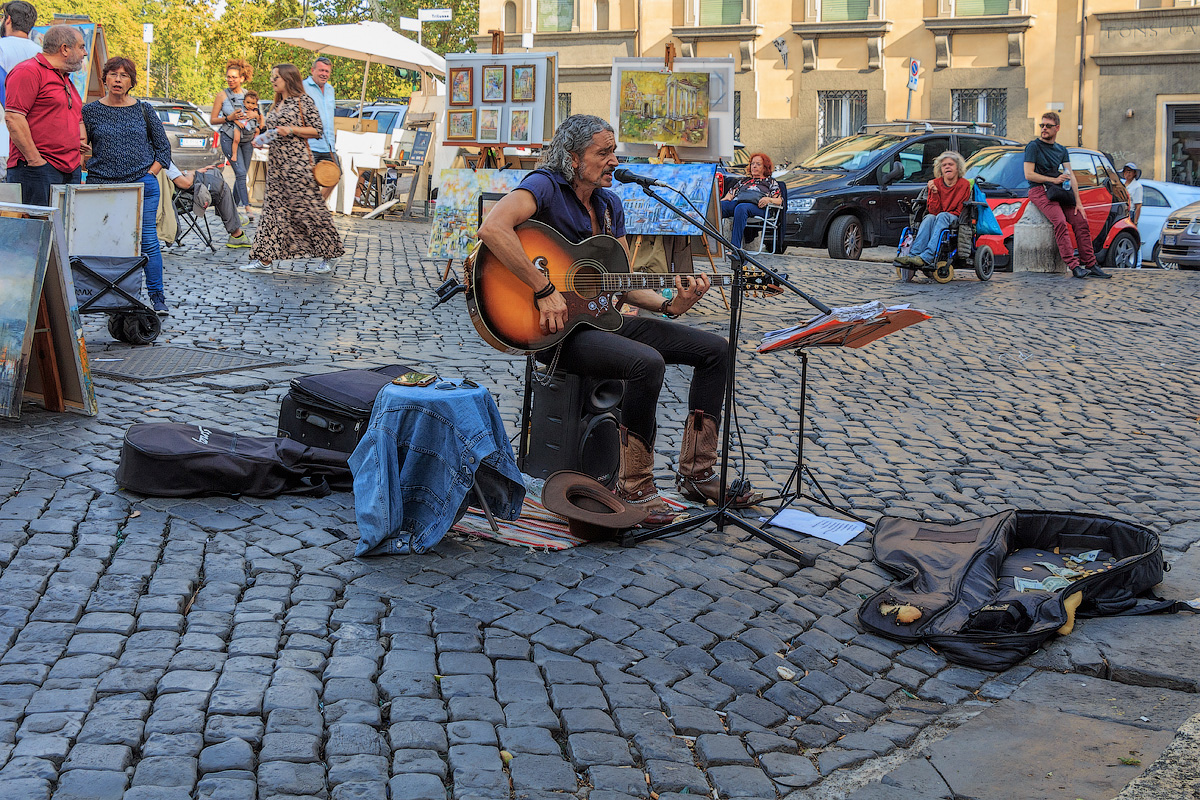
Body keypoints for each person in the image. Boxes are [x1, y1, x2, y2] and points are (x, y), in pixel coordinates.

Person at [477, 114, 762, 526]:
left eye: (614, 152)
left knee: (714, 349)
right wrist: (543, 289)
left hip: (602, 320)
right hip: (555, 332)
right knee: (645, 362)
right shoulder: (545, 188)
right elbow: (493, 228)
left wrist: (671, 304)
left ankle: (697, 474)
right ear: (574, 158)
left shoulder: (611, 206)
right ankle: (635, 486)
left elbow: (623, 284)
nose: (613, 160)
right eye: (603, 152)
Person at [82, 57, 173, 315]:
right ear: (105, 79)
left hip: (140, 186)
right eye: (113, 74)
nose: (118, 79)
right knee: (105, 242)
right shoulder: (90, 111)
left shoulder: (143, 110)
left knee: (147, 242)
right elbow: (80, 147)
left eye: (124, 75)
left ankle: (157, 297)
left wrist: (149, 175)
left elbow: (163, 149)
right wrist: (84, 157)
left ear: (131, 81)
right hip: (102, 187)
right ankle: (107, 295)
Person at [245, 63, 343, 274]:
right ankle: (264, 260)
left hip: (296, 165)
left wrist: (291, 129)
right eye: (272, 77)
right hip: (277, 167)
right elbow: (275, 131)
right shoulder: (277, 103)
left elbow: (316, 129)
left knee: (308, 209)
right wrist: (264, 138)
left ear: (288, 79)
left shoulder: (303, 100)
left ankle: (331, 252)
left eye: (276, 77)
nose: (272, 81)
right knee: (272, 211)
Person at [4, 23, 86, 206]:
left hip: (67, 169)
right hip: (37, 170)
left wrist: (77, 151)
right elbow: (14, 118)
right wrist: (35, 161)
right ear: (64, 49)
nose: (84, 53)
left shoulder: (64, 78)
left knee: (62, 232)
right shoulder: (28, 71)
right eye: (81, 47)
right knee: (35, 232)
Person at [1023, 112, 1109, 279]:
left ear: (1057, 128)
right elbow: (1029, 175)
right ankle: (1074, 265)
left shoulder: (1061, 150)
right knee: (1060, 221)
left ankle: (1090, 264)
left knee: (1080, 220)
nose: (1044, 129)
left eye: (1048, 126)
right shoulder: (1033, 146)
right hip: (1039, 190)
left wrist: (1078, 203)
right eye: (1042, 125)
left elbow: (1071, 175)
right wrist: (1054, 179)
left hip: (1057, 190)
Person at [897, 151, 970, 274]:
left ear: (957, 167)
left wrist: (944, 213)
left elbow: (959, 209)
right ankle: (913, 255)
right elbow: (933, 211)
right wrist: (935, 193)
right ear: (940, 169)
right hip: (939, 217)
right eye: (944, 165)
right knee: (929, 217)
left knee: (942, 216)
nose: (947, 167)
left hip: (955, 217)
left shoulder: (964, 184)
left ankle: (928, 256)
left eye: (950, 164)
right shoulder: (935, 184)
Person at [0, 1, 42, 182]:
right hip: (32, 142)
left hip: (3, 137)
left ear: (7, 20)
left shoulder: (1, 47)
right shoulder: (42, 53)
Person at [166, 163, 251, 247]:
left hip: (180, 189)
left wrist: (194, 171)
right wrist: (193, 173)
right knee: (221, 187)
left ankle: (233, 216)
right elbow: (186, 184)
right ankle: (237, 235)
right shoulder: (161, 156)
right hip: (182, 197)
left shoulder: (160, 156)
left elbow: (174, 174)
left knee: (214, 171)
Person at [210, 59, 254, 220]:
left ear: (242, 78)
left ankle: (232, 210)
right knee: (241, 173)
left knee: (241, 175)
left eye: (234, 77)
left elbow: (257, 112)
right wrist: (229, 117)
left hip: (247, 139)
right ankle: (248, 208)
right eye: (228, 77)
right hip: (229, 138)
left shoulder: (248, 94)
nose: (230, 80)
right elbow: (213, 120)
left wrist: (254, 116)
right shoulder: (221, 95)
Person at [719, 152, 783, 249]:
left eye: (758, 164)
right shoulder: (744, 181)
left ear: (765, 167)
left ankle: (735, 248)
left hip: (759, 207)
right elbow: (730, 195)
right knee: (718, 207)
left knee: (741, 208)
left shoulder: (770, 182)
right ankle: (709, 243)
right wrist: (722, 202)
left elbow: (779, 201)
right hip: (739, 203)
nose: (754, 166)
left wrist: (769, 199)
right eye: (752, 164)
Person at [302, 56, 338, 201]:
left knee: (335, 175)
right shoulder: (303, 86)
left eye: (327, 71)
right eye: (321, 70)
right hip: (310, 143)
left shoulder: (330, 89)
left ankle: (318, 205)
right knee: (309, 179)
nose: (324, 74)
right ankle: (309, 209)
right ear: (313, 70)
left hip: (328, 144)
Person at [228, 88, 262, 173]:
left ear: (256, 104)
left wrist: (257, 118)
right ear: (244, 102)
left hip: (250, 129)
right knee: (236, 139)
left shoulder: (256, 111)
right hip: (239, 125)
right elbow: (233, 118)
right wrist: (237, 123)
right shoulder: (240, 109)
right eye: (248, 102)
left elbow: (260, 119)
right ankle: (234, 154)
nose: (250, 105)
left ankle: (256, 141)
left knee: (257, 130)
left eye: (253, 103)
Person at [1122, 162, 1143, 227]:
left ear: (1134, 173)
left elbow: (1138, 206)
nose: (1127, 174)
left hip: (1129, 214)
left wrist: (1135, 222)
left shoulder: (1137, 186)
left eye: (1129, 171)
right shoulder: (1122, 184)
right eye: (1126, 171)